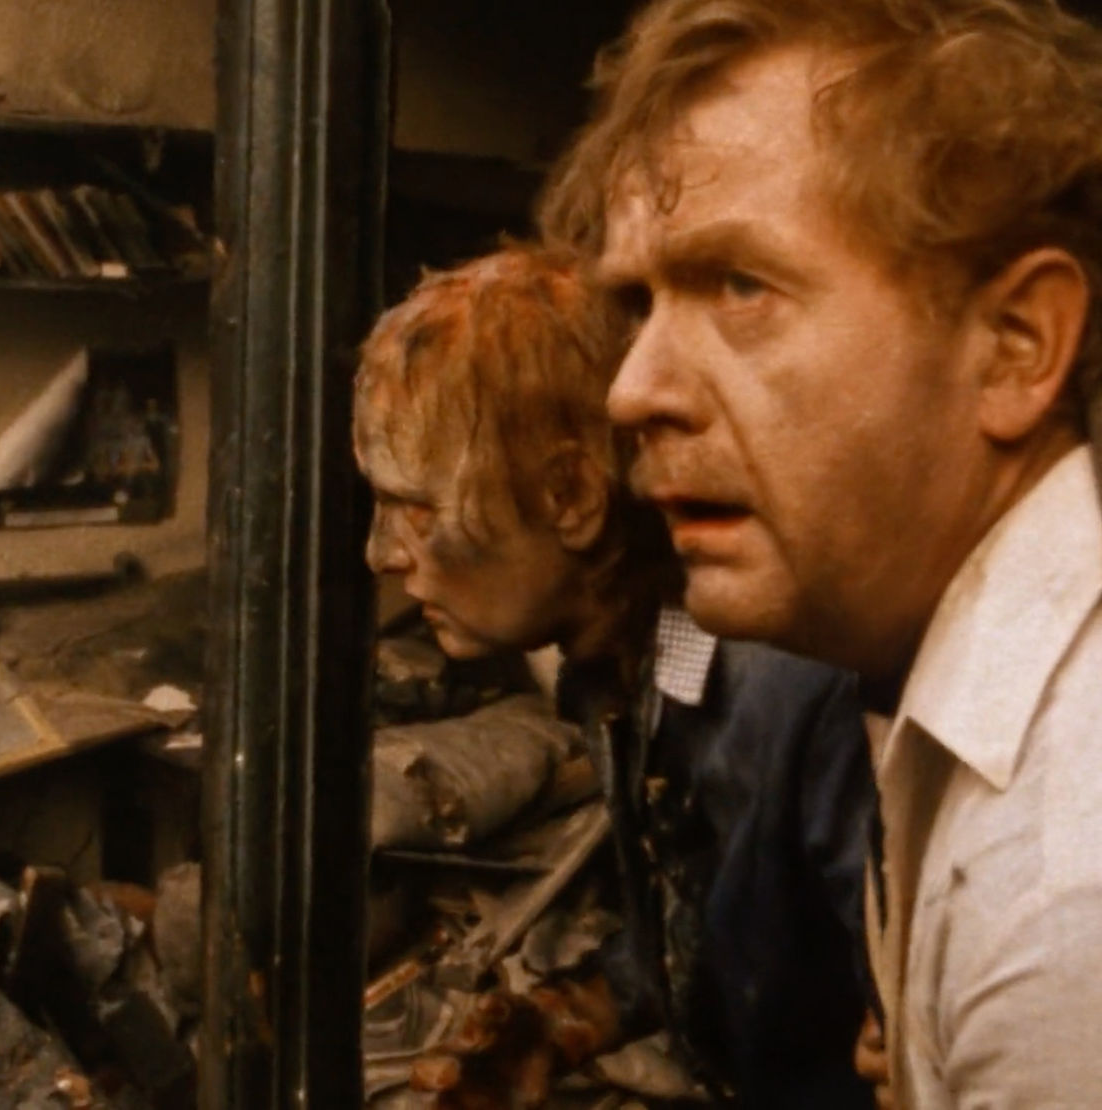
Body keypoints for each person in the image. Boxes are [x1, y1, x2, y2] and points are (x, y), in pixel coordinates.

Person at [538, 0, 1102, 1104]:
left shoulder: (1063, 895)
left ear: (1014, 346)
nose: (630, 390)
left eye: (739, 286)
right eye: (639, 303)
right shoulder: (937, 685)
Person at [353, 246, 875, 1107]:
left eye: (415, 510)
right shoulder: (618, 676)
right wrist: (571, 1019)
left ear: (571, 496)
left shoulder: (803, 698)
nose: (381, 556)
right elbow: (702, 932)